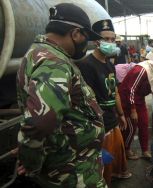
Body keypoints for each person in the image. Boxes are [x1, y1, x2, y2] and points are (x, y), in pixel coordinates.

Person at [16, 3, 106, 187]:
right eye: (86, 36)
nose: (86, 43)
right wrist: (31, 162)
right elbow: (39, 121)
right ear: (75, 34)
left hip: (70, 163)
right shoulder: (54, 62)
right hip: (73, 173)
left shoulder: (39, 53)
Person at [76, 19, 132, 186]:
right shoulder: (86, 65)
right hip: (99, 123)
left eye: (112, 39)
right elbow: (87, 100)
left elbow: (114, 91)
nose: (110, 43)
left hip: (112, 117)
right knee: (104, 159)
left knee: (116, 151)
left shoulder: (109, 63)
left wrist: (121, 114)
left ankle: (116, 174)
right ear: (96, 42)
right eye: (106, 39)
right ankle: (105, 180)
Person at [119, 53, 153, 159]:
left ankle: (144, 151)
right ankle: (126, 150)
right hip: (126, 99)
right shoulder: (142, 70)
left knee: (144, 123)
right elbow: (130, 90)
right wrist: (133, 110)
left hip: (139, 98)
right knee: (131, 126)